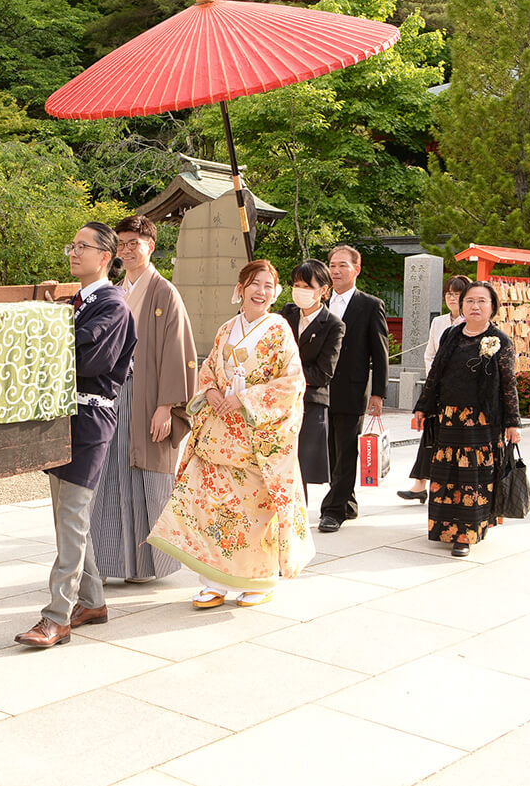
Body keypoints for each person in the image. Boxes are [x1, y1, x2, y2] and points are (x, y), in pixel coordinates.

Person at [148, 260, 314, 608]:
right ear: (240, 288)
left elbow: (291, 382)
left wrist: (245, 398)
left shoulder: (280, 330)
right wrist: (209, 390)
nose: (261, 291)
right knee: (211, 510)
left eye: (268, 286)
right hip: (218, 435)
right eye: (254, 284)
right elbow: (208, 368)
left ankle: (258, 580)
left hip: (255, 440)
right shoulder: (227, 328)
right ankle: (213, 582)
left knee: (252, 514)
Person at [15, 222, 137, 648]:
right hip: (62, 420)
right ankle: (94, 601)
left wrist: (49, 322)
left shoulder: (113, 306)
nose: (73, 252)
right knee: (68, 520)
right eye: (72, 245)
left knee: (71, 518)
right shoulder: (78, 302)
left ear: (105, 257)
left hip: (89, 420)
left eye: (83, 247)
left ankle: (56, 617)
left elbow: (90, 359)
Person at [87, 214, 197, 584]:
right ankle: (107, 563)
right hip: (113, 393)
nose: (128, 250)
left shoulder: (164, 292)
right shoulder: (116, 290)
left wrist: (166, 406)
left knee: (143, 476)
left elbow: (177, 350)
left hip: (148, 396)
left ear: (151, 245)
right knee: (109, 475)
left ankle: (147, 567)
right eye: (122, 243)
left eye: (136, 243)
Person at [412, 281, 521, 557]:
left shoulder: (500, 341)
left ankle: (466, 534)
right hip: (449, 417)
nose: (475, 306)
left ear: (493, 307)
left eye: (482, 301)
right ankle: (444, 527)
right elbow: (436, 373)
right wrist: (422, 407)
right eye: (470, 300)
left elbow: (509, 384)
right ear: (461, 305)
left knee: (473, 478)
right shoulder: (450, 334)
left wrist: (513, 423)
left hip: (482, 420)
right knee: (447, 475)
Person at [319, 245, 389, 533]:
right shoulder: (319, 302)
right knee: (330, 451)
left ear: (356, 269)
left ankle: (333, 511)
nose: (336, 271)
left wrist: (378, 393)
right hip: (321, 389)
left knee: (347, 450)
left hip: (352, 389)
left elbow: (380, 351)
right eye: (332, 265)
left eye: (342, 266)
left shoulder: (370, 304)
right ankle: (347, 502)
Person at [397, 274, 471, 503]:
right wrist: (434, 380)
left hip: (461, 390)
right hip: (437, 388)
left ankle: (440, 484)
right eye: (449, 294)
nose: (452, 298)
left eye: (457, 294)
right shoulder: (439, 322)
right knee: (429, 434)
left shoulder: (471, 323)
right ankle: (420, 483)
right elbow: (430, 354)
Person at [279, 259, 344, 497]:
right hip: (278, 402)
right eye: (297, 285)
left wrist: (287, 374)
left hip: (310, 403)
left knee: (300, 470)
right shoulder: (285, 314)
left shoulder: (334, 325)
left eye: (307, 286)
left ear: (324, 290)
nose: (300, 291)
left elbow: (323, 373)